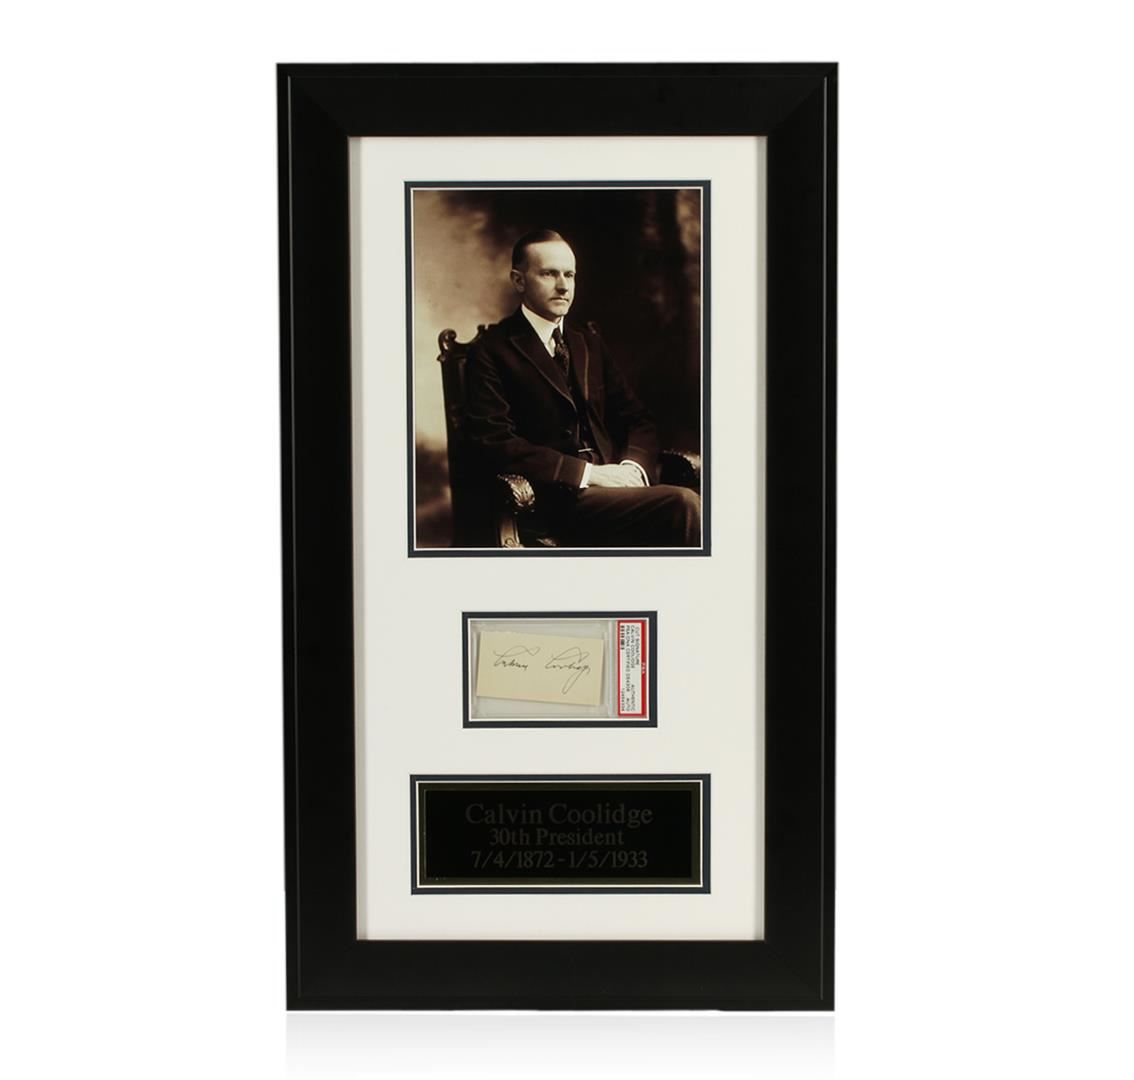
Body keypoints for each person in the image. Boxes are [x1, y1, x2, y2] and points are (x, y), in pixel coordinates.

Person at [463, 229, 701, 548]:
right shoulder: (492, 350)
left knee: (701, 504)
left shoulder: (587, 343)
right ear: (518, 281)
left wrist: (631, 468)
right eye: (549, 274)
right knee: (683, 504)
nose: (563, 286)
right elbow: (495, 442)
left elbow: (637, 418)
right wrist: (589, 474)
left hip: (616, 489)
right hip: (552, 499)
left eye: (570, 275)